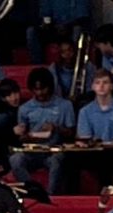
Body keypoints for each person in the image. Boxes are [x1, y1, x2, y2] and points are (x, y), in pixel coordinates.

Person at [9, 67, 75, 196]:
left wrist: (56, 128)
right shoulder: (24, 109)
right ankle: (33, 192)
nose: (39, 93)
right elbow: (21, 138)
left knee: (56, 161)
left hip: (54, 151)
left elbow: (71, 133)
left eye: (42, 89)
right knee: (15, 159)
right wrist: (26, 136)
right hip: (32, 152)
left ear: (50, 87)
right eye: (36, 89)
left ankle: (51, 195)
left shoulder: (65, 106)